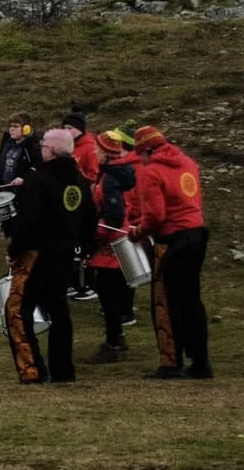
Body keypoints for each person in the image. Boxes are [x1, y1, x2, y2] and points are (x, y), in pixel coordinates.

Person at [0, 126, 97, 384]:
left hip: (36, 254)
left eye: (43, 145)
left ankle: (32, 369)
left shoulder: (39, 179)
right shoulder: (79, 180)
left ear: (51, 151)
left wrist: (14, 250)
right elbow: (90, 219)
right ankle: (63, 370)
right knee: (59, 311)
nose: (41, 148)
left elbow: (28, 220)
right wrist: (85, 248)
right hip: (64, 255)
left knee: (18, 310)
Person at [133, 124, 212, 379]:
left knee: (169, 303)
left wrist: (138, 231)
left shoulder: (151, 173)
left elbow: (155, 215)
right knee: (193, 300)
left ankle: (172, 362)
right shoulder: (188, 163)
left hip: (172, 240)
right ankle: (200, 361)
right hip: (197, 235)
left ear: (146, 151)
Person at [85, 132, 141, 363]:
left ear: (106, 153)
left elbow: (114, 216)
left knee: (107, 294)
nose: (94, 152)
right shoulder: (117, 175)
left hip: (111, 244)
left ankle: (112, 343)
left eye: (98, 149)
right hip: (118, 242)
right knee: (111, 292)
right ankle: (118, 336)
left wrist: (94, 232)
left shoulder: (110, 179)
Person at [60, 111, 101, 301]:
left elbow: (93, 175)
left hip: (83, 200)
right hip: (69, 199)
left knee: (81, 244)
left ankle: (85, 284)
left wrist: (74, 171)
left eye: (70, 128)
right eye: (64, 128)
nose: (66, 131)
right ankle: (71, 282)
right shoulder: (69, 146)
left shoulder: (88, 148)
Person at [0, 113, 38, 191]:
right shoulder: (7, 143)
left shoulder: (32, 146)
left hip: (21, 191)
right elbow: (1, 162)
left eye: (15, 126)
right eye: (11, 126)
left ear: (26, 129)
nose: (11, 129)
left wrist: (23, 178)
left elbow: (37, 166)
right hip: (4, 188)